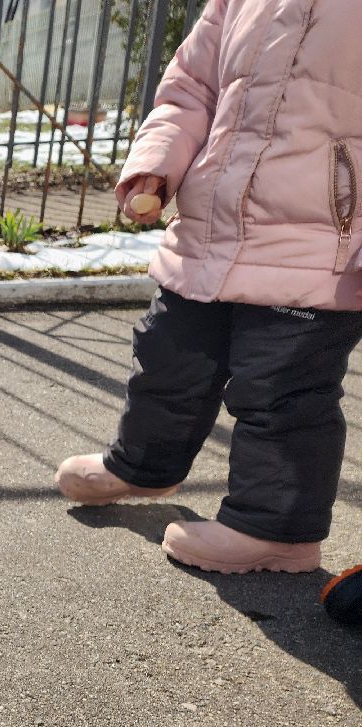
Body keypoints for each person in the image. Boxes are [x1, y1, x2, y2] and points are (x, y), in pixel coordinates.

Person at [55, 0, 362, 573]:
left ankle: (276, 531)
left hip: (323, 242)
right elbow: (192, 86)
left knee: (282, 389)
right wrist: (158, 162)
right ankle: (143, 467)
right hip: (213, 230)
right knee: (168, 354)